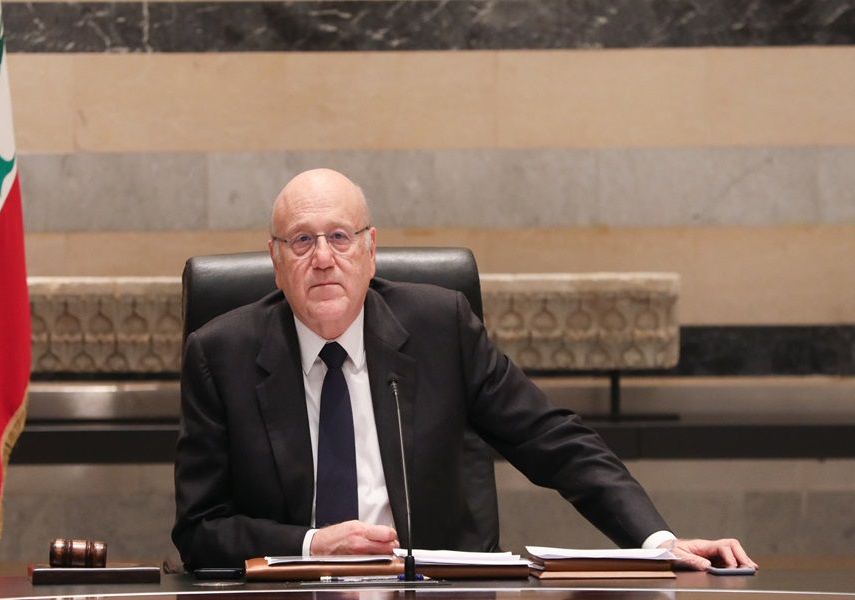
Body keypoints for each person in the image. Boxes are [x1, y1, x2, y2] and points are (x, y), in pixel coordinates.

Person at [172, 168, 758, 572]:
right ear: (276, 262)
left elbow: (552, 439)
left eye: (340, 238)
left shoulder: (439, 328)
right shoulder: (220, 355)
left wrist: (657, 541)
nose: (323, 258)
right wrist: (309, 545)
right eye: (302, 241)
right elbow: (199, 531)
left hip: (428, 591)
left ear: (371, 251)